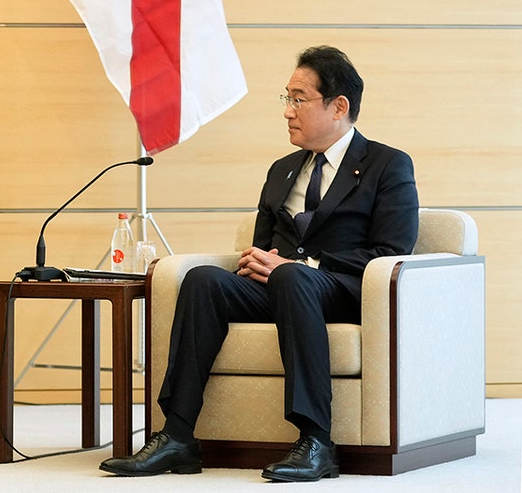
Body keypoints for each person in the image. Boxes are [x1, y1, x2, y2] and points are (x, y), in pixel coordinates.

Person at [101, 46, 419, 482]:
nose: (288, 111)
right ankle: (176, 436)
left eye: (299, 98)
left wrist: (303, 262)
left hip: (342, 290)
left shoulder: (387, 164)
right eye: (286, 98)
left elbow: (390, 251)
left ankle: (316, 440)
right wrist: (258, 263)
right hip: (282, 287)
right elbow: (264, 247)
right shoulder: (282, 169)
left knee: (291, 275)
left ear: (339, 106)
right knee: (203, 281)